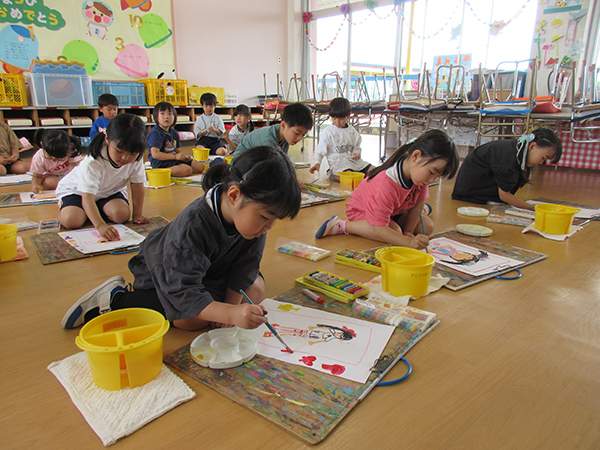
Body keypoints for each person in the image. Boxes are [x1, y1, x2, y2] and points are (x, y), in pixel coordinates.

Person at [61, 146, 302, 331]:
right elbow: (183, 290)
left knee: (255, 290)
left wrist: (230, 307)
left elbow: (246, 267)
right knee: (189, 321)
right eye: (265, 217)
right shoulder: (194, 224)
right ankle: (117, 298)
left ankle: (215, 304)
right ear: (233, 195)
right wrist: (229, 313)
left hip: (209, 270)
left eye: (275, 219)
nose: (269, 227)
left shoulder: (253, 223)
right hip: (167, 269)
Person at [315, 129, 459, 250]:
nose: (432, 180)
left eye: (437, 176)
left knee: (427, 227)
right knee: (395, 232)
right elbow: (380, 229)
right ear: (416, 156)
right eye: (432, 172)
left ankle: (410, 215)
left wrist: (408, 232)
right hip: (363, 211)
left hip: (394, 211)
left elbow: (418, 205)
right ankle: (342, 226)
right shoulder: (385, 184)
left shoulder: (421, 177)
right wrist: (409, 242)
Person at [56, 113, 148, 240]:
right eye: (119, 151)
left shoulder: (136, 157)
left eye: (132, 153)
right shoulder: (93, 161)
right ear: (107, 139)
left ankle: (93, 211)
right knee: (71, 220)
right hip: (77, 192)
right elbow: (87, 197)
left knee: (121, 215)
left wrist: (137, 214)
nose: (125, 158)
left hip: (108, 192)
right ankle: (76, 210)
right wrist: (100, 225)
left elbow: (137, 185)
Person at [451, 128, 563, 208]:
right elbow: (504, 195)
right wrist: (530, 207)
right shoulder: (508, 156)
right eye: (543, 158)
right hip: (471, 194)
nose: (541, 162)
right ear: (532, 146)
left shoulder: (516, 149)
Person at [308, 97, 371, 180]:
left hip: (356, 163)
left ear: (348, 115)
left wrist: (357, 153)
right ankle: (333, 175)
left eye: (341, 119)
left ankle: (360, 176)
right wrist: (317, 163)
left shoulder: (352, 131)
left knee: (376, 171)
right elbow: (320, 151)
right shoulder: (327, 132)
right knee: (349, 177)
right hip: (339, 164)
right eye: (334, 118)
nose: (337, 122)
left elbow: (357, 146)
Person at [232, 102, 313, 161]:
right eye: (297, 133)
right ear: (283, 126)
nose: (299, 138)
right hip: (241, 164)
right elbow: (271, 166)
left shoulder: (285, 137)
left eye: (303, 135)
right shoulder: (268, 138)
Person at [147, 101, 205, 177]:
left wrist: (183, 157)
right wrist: (175, 157)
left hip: (174, 160)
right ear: (156, 116)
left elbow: (178, 150)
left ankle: (176, 169)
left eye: (169, 114)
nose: (166, 117)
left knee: (200, 167)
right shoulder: (155, 133)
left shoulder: (174, 132)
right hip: (161, 163)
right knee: (187, 170)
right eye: (162, 113)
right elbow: (155, 154)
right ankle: (160, 172)